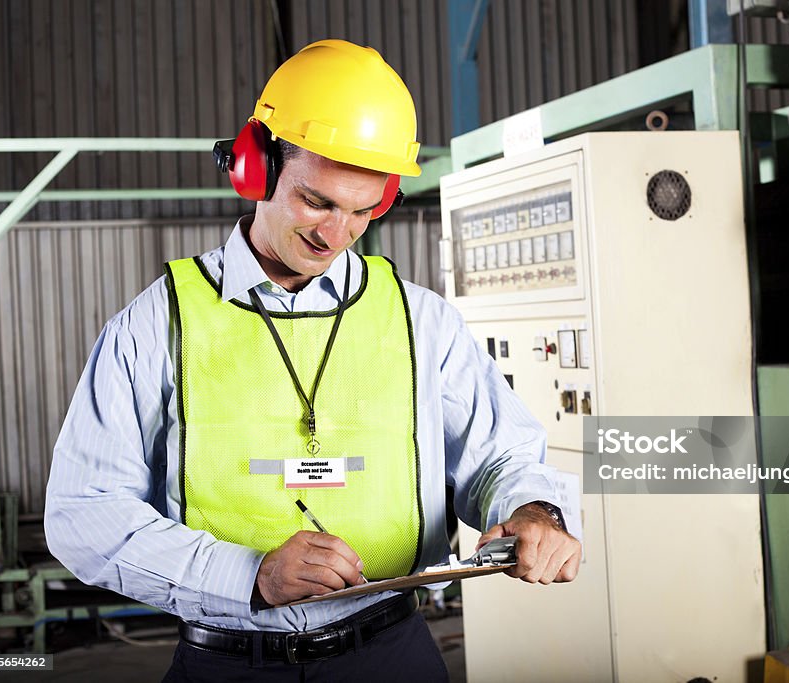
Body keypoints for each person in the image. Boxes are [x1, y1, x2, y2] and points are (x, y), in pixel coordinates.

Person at [44, 39, 581, 682]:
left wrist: (533, 511)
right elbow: (84, 512)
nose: (335, 235)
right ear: (256, 166)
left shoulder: (422, 322)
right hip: (228, 661)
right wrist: (251, 575)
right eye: (317, 202)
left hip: (393, 653)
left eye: (363, 211)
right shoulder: (155, 325)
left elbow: (501, 455)